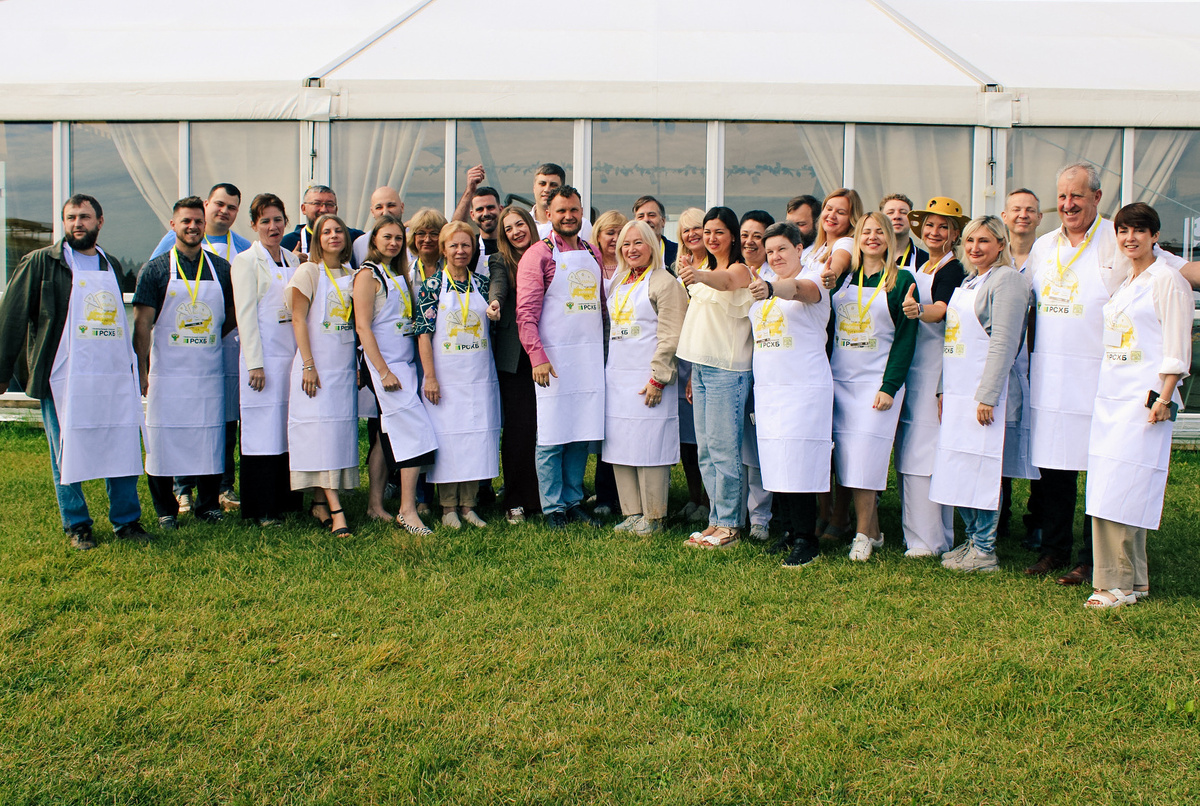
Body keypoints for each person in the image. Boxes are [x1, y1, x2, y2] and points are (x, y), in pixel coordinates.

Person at [0, 194, 147, 549]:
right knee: (65, 451)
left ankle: (126, 521)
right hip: (62, 375)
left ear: (100, 221)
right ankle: (77, 524)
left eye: (84, 216)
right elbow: (13, 316)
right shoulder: (42, 261)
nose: (77, 223)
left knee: (120, 444)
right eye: (71, 217)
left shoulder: (110, 264)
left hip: (110, 376)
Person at [1083, 202, 1192, 607]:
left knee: (1122, 488)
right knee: (1111, 485)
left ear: (1155, 236)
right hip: (1113, 397)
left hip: (1145, 401)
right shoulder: (1127, 281)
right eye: (1123, 230)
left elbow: (1177, 345)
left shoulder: (1167, 280)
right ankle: (1136, 580)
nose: (1130, 238)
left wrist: (1164, 396)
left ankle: (1114, 585)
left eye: (1139, 230)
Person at [932, 216, 1032, 573]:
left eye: (985, 241)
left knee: (982, 469)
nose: (975, 248)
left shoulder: (1007, 281)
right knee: (959, 467)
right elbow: (953, 340)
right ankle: (972, 539)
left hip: (985, 396)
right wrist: (943, 388)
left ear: (1001, 244)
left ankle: (986, 549)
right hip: (959, 391)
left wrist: (988, 395)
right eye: (971, 240)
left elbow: (1004, 342)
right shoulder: (970, 280)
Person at [133, 196, 236, 530]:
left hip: (208, 372)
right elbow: (142, 324)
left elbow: (232, 315)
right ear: (173, 225)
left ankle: (208, 505)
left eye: (198, 221)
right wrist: (143, 370)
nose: (192, 227)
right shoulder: (155, 269)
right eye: (186, 221)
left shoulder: (222, 269)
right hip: (168, 374)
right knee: (162, 441)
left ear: (205, 225)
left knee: (210, 439)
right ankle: (165, 509)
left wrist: (207, 335)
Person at [823, 212, 918, 561]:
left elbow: (906, 339)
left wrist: (890, 386)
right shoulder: (845, 279)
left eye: (880, 231)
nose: (872, 237)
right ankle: (873, 531)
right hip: (840, 381)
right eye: (866, 232)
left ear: (889, 238)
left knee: (866, 457)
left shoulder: (901, 280)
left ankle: (862, 534)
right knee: (847, 458)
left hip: (876, 383)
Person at [151, 183, 248, 516]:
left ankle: (221, 488)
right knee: (179, 421)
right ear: (207, 205)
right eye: (219, 204)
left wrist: (212, 332)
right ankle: (182, 490)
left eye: (231, 207)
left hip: (219, 351)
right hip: (176, 355)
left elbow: (236, 306)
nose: (224, 211)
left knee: (221, 422)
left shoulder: (240, 249)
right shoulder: (168, 247)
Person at [516, 186, 605, 528]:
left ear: (582, 213)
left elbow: (600, 306)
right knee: (552, 434)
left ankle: (573, 500)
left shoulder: (592, 252)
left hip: (588, 358)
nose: (569, 216)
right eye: (562, 210)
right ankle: (553, 506)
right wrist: (537, 357)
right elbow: (526, 314)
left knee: (581, 432)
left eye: (574, 210)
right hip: (552, 361)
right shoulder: (538, 255)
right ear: (549, 214)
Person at [747, 221, 832, 568]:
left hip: (803, 388)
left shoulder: (815, 279)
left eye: (782, 248)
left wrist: (770, 287)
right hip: (770, 388)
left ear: (799, 248)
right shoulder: (763, 281)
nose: (775, 256)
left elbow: (798, 290)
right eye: (769, 251)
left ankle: (806, 540)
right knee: (776, 460)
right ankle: (789, 531)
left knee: (799, 462)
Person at [353, 214, 437, 536]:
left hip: (405, 364)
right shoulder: (368, 275)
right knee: (414, 433)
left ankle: (375, 506)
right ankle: (407, 510)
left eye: (398, 238)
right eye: (387, 237)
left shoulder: (397, 273)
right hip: (386, 368)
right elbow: (363, 327)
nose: (393, 243)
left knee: (383, 435)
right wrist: (383, 371)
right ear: (374, 239)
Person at [677, 206, 754, 549]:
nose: (711, 238)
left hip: (729, 369)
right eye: (707, 232)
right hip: (703, 367)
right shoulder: (704, 269)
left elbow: (727, 283)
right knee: (706, 450)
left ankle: (730, 525)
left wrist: (697, 275)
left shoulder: (740, 269)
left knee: (724, 450)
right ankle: (715, 520)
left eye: (719, 231)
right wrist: (693, 373)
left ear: (733, 236)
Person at [604, 220, 688, 536]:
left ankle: (655, 516)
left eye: (638, 242)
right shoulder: (619, 280)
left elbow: (671, 335)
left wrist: (658, 377)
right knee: (620, 446)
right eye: (626, 244)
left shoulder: (665, 282)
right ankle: (631, 512)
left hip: (649, 378)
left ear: (652, 245)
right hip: (618, 377)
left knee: (650, 446)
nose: (631, 249)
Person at [894, 197, 968, 557]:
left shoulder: (952, 270)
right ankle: (922, 534)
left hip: (933, 368)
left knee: (923, 453)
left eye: (944, 227)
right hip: (913, 366)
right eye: (930, 225)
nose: (934, 232)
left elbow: (941, 309)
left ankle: (928, 539)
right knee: (912, 450)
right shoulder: (921, 265)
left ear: (954, 234)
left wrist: (918, 310)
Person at [416, 220, 500, 528]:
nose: (460, 251)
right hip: (446, 378)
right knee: (449, 441)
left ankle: (469, 505)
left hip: (478, 377)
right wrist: (430, 377)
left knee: (477, 438)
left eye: (466, 245)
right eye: (454, 245)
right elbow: (423, 334)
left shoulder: (481, 284)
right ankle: (448, 507)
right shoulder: (432, 286)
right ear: (443, 249)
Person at [230, 193, 304, 526]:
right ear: (254, 225)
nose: (273, 227)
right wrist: (254, 363)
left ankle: (287, 500)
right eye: (265, 221)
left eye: (277, 220)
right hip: (264, 361)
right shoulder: (246, 261)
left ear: (285, 222)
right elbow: (245, 315)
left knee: (287, 429)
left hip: (291, 358)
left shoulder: (293, 260)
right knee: (262, 432)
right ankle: (261, 507)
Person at [286, 213, 359, 538]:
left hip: (343, 369)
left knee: (336, 436)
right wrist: (308, 364)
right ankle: (337, 511)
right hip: (315, 369)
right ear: (317, 239)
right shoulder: (308, 272)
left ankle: (319, 502)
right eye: (326, 231)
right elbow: (298, 319)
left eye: (338, 230)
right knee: (320, 437)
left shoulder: (353, 275)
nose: (333, 236)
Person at [810, 188, 863, 538]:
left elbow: (837, 266)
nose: (831, 216)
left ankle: (840, 515)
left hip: (833, 347)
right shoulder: (812, 249)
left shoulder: (844, 245)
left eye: (840, 212)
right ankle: (823, 511)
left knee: (837, 436)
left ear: (851, 219)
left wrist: (830, 275)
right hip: (812, 344)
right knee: (821, 436)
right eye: (828, 209)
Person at [486, 206, 542, 524]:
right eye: (508, 228)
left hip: (548, 351)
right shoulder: (500, 260)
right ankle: (515, 499)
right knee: (519, 429)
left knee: (542, 428)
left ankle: (541, 495)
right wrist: (495, 302)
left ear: (530, 224)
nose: (516, 231)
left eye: (520, 224)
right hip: (516, 356)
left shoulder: (548, 253)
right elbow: (499, 286)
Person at [998, 188, 1045, 543]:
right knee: (999, 441)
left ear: (1040, 218)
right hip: (1003, 363)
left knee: (1041, 445)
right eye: (1016, 209)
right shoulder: (995, 257)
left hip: (1039, 363)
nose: (1023, 215)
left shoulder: (1048, 257)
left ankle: (1039, 520)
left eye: (1030, 210)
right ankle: (998, 517)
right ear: (1005, 216)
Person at [738, 209, 777, 542]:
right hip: (735, 369)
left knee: (759, 448)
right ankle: (738, 514)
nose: (750, 242)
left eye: (757, 236)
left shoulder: (776, 277)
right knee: (737, 447)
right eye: (744, 235)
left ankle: (762, 517)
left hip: (767, 372)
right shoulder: (734, 272)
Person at [589, 209, 629, 516]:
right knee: (600, 422)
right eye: (609, 232)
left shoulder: (632, 269)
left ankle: (621, 492)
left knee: (620, 421)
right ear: (598, 236)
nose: (614, 238)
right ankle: (603, 492)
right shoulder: (588, 265)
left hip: (624, 350)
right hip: (592, 349)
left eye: (620, 233)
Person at [671, 207, 709, 522]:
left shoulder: (714, 268)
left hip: (705, 354)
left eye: (697, 227)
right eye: (685, 230)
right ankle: (693, 497)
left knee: (705, 437)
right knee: (686, 437)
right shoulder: (679, 269)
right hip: (682, 355)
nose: (691, 234)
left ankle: (710, 501)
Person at [281, 185, 365, 260]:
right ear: (303, 209)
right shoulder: (288, 243)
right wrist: (291, 263)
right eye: (317, 203)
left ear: (336, 209)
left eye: (329, 204)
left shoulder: (355, 238)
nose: (324, 210)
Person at [530, 163, 593, 240]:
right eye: (542, 184)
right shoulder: (523, 223)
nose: (547, 189)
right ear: (534, 187)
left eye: (553, 185)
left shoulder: (582, 225)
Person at [351, 186, 405, 266]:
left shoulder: (414, 238)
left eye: (391, 206)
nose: (385, 212)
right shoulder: (360, 244)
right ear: (372, 212)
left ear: (402, 207)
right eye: (379, 207)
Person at [880, 193, 929, 274]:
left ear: (912, 221)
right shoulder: (869, 259)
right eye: (890, 212)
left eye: (903, 212)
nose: (897, 216)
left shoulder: (926, 262)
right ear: (880, 220)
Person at [633, 195, 679, 268]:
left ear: (663, 221)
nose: (646, 220)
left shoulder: (678, 252)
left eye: (651, 215)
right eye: (641, 216)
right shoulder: (627, 254)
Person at [407, 207, 448, 285]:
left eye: (434, 234)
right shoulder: (406, 271)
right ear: (413, 237)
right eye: (421, 233)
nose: (427, 240)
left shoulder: (453, 268)